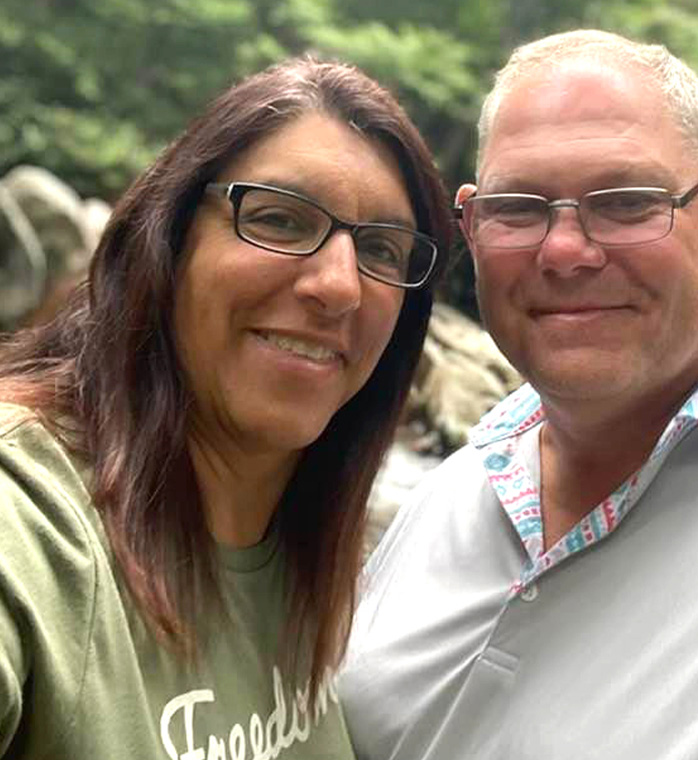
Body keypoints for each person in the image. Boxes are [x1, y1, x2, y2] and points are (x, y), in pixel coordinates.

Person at [339, 29, 698, 759]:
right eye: (520, 207)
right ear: (474, 227)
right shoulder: (458, 486)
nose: (566, 250)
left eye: (626, 202)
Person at [0, 56, 450, 759]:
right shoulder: (30, 518)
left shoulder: (322, 556)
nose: (340, 287)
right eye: (278, 218)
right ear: (168, 238)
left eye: (382, 250)